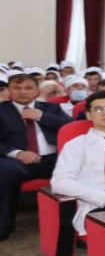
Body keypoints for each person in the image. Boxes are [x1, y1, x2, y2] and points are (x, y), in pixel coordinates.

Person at [0, 73, 73, 240]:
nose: (23, 92)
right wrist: (18, 153)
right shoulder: (2, 110)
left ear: (37, 91)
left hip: (53, 159)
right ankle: (4, 226)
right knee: (6, 171)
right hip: (17, 161)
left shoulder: (51, 108)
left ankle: (75, 226)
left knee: (80, 167)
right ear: (10, 91)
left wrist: (41, 116)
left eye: (28, 88)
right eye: (17, 88)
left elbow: (71, 127)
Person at [50, 91, 105, 235]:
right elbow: (60, 182)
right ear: (89, 115)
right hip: (98, 205)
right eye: (98, 109)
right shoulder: (76, 145)